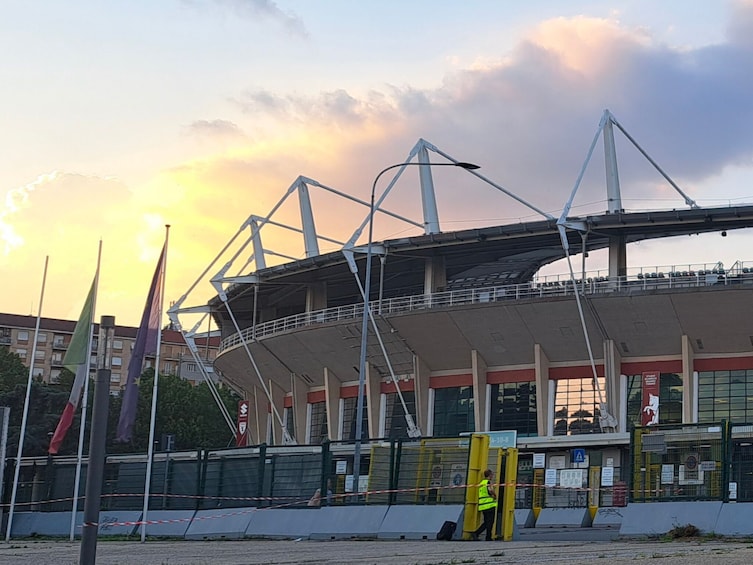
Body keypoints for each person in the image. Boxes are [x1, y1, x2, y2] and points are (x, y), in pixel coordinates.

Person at [472, 469, 497, 541]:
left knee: (486, 522)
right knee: (490, 522)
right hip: (489, 505)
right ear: (489, 475)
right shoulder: (488, 482)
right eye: (492, 475)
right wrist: (495, 495)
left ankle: (477, 533)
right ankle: (487, 536)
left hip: (483, 505)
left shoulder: (482, 482)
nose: (493, 476)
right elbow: (490, 490)